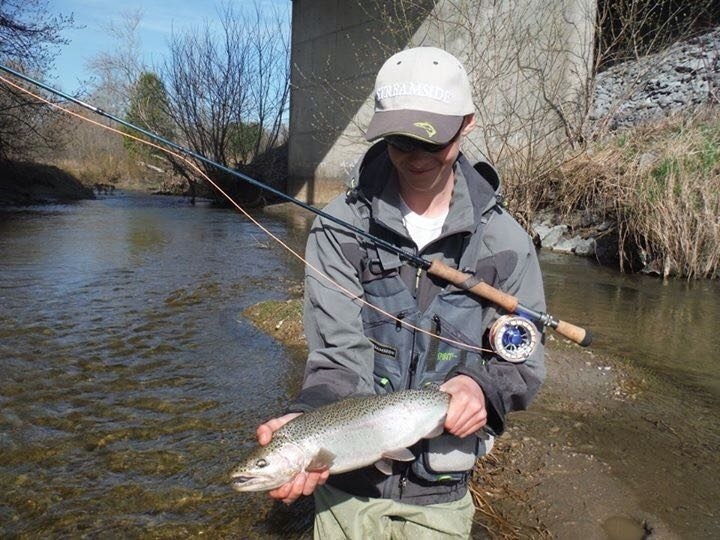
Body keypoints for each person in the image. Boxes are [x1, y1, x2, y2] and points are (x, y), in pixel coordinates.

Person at [256, 46, 546, 539]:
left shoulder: (506, 243)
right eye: (399, 140)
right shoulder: (340, 230)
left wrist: (482, 388)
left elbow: (523, 360)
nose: (415, 157)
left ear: (466, 124)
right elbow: (337, 358)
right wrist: (306, 425)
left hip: (445, 487)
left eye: (430, 141)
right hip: (350, 484)